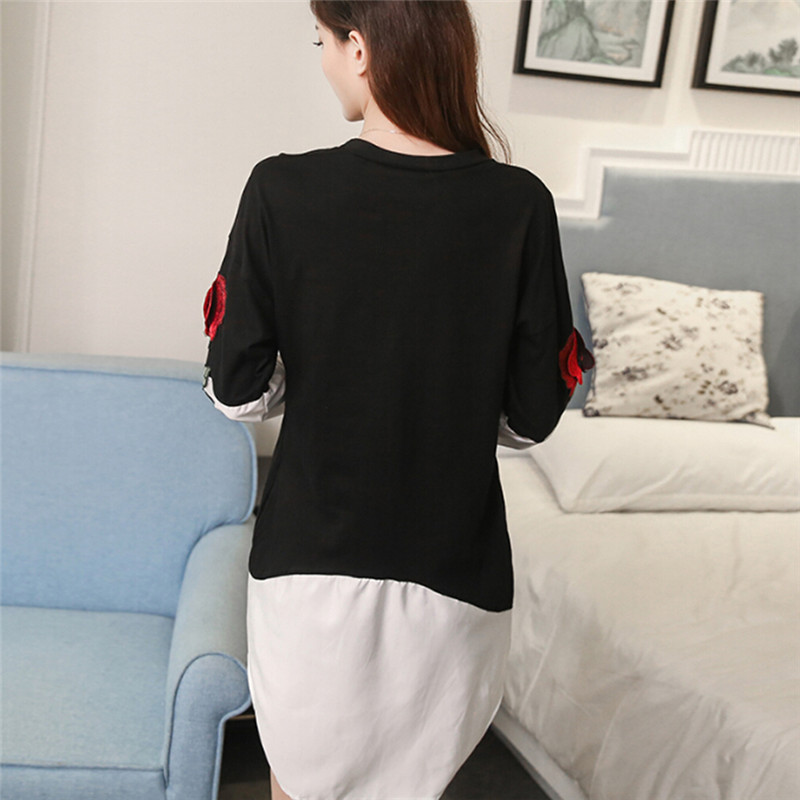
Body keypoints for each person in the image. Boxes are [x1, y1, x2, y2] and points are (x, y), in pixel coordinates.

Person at [201, 2, 594, 798]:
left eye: (323, 41)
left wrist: (317, 371)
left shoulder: (281, 189)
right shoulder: (519, 204)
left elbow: (237, 391)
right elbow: (533, 415)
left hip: (309, 568)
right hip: (455, 578)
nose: (323, 61)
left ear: (361, 48)